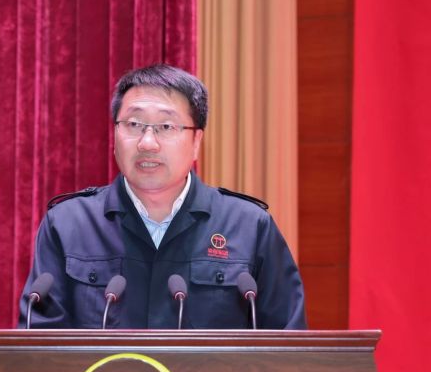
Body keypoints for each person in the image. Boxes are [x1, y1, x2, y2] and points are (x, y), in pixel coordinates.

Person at [18, 64, 306, 329]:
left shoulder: (249, 227)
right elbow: (39, 347)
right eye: (133, 124)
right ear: (114, 136)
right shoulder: (68, 225)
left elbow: (288, 347)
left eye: (166, 127)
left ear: (196, 141)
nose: (147, 143)